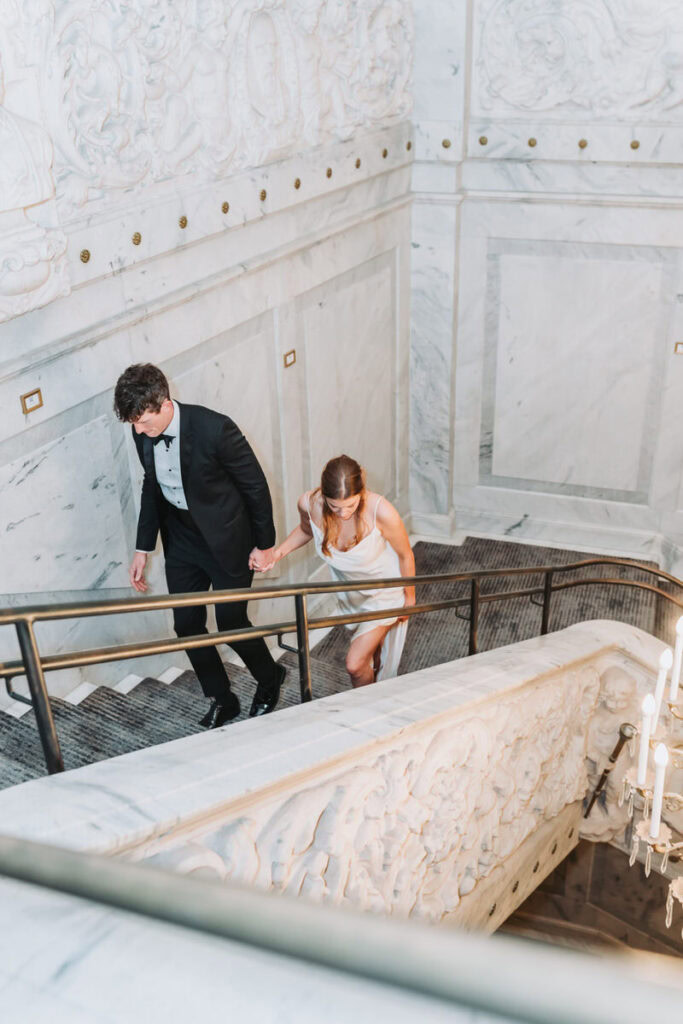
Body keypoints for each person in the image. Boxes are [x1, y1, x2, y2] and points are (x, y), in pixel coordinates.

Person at [113, 363, 285, 728]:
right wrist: (143, 548)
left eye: (143, 421)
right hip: (182, 540)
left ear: (162, 402)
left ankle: (271, 680)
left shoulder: (215, 428)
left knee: (230, 622)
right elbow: (151, 486)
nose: (139, 431)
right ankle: (223, 699)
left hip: (227, 539)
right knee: (187, 624)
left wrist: (265, 545)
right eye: (134, 424)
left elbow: (255, 486)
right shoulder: (141, 432)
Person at [259, 455, 415, 686]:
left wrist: (409, 598)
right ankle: (379, 684)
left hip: (384, 593)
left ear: (361, 493)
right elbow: (306, 530)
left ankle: (367, 707)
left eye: (350, 505)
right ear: (324, 494)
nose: (343, 514)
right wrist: (277, 553)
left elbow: (405, 554)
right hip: (350, 595)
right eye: (335, 506)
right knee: (371, 654)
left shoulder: (381, 511)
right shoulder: (309, 503)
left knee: (355, 663)